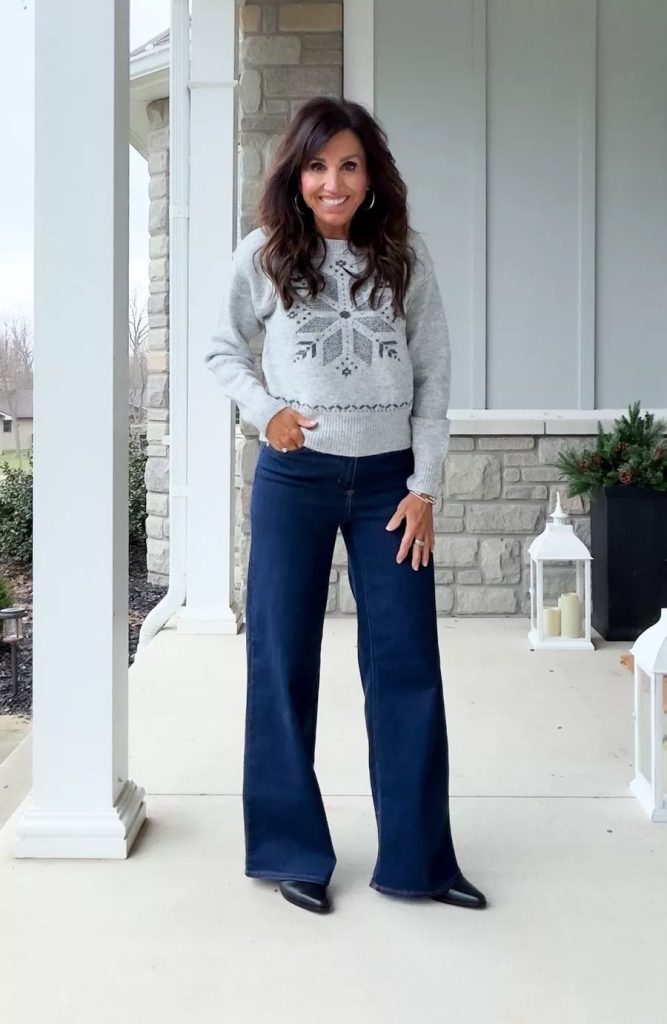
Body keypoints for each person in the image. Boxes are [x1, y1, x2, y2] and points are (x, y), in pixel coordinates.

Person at [205, 96, 487, 916]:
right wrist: (267, 412)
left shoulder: (403, 255)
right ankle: (292, 850)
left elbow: (433, 374)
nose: (333, 181)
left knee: (405, 668)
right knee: (282, 662)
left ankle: (420, 861)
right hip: (294, 483)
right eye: (318, 165)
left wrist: (425, 485)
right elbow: (222, 346)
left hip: (390, 489)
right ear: (297, 174)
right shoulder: (264, 255)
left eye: (349, 164)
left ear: (371, 176)